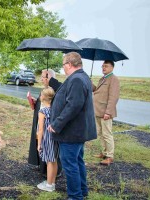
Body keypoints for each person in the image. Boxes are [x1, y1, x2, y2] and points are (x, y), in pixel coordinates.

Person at [48, 52, 97, 200]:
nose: (63, 68)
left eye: (63, 65)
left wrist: (56, 124)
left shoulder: (76, 79)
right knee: (78, 161)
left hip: (71, 131)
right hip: (78, 131)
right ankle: (82, 190)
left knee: (70, 165)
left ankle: (75, 196)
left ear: (69, 64)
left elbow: (73, 106)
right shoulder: (82, 77)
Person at [28, 69, 62, 176]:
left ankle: (53, 173)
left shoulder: (55, 91)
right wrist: (36, 101)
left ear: (49, 77)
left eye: (43, 77)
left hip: (49, 127)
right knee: (42, 144)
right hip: (41, 122)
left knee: (50, 149)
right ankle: (43, 168)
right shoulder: (45, 89)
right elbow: (42, 103)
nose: (41, 79)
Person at [92, 60, 120, 165]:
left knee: (107, 134)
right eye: (102, 66)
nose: (103, 68)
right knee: (101, 134)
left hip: (105, 113)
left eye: (106, 66)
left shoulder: (114, 79)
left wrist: (108, 112)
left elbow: (114, 97)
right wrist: (90, 84)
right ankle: (103, 153)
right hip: (98, 111)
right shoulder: (103, 79)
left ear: (112, 67)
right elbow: (97, 91)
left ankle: (109, 156)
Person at [36, 87, 59, 192]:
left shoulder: (42, 111)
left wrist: (39, 144)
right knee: (54, 161)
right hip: (56, 138)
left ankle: (49, 185)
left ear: (43, 97)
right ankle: (52, 182)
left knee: (49, 161)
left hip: (48, 138)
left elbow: (40, 130)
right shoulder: (55, 109)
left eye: (41, 95)